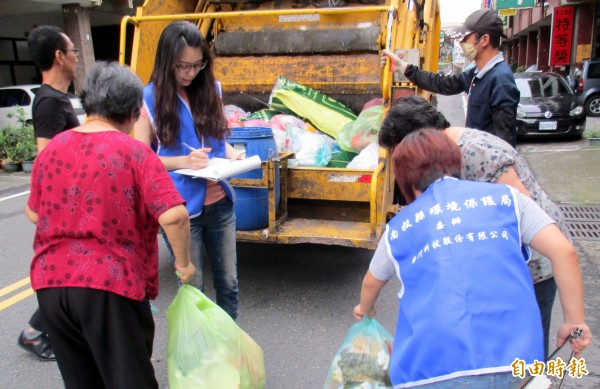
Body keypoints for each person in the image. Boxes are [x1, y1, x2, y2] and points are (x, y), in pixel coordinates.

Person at [354, 129, 591, 388]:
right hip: (515, 361)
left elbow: (372, 281)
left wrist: (365, 310)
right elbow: (564, 251)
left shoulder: (399, 228)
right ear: (454, 160)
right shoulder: (507, 198)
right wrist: (574, 322)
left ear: (405, 179)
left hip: (431, 369)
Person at [25, 61, 196, 388]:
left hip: (50, 286)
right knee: (129, 380)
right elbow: (173, 215)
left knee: (83, 381)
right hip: (107, 286)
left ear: (88, 103)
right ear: (133, 113)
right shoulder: (136, 153)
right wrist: (184, 264)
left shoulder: (52, 150)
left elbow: (34, 213)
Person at [379, 95, 567, 360]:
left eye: (401, 154)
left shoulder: (478, 153)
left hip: (530, 268)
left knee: (526, 359)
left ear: (419, 142)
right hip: (502, 269)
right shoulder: (446, 156)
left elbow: (525, 219)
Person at [133, 21, 241, 319]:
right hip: (182, 211)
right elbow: (140, 159)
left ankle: (227, 347)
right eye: (182, 66)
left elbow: (218, 143)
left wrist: (234, 156)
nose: (189, 73)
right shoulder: (148, 98)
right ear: (167, 61)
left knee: (229, 284)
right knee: (195, 288)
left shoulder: (210, 89)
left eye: (197, 65)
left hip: (220, 202)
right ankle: (201, 355)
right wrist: (183, 161)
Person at [17, 25, 81, 362]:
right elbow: (46, 158)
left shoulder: (55, 99)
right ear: (59, 57)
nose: (75, 56)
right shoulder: (49, 103)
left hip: (66, 204)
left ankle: (44, 327)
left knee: (67, 271)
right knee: (63, 272)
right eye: (72, 50)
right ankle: (34, 331)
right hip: (60, 207)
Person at [381, 9, 519, 147]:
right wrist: (403, 68)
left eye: (466, 38)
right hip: (477, 156)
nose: (462, 42)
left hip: (488, 163)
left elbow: (504, 141)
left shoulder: (501, 81)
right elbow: (443, 84)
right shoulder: (477, 73)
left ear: (484, 40)